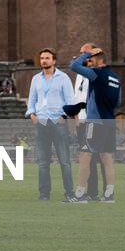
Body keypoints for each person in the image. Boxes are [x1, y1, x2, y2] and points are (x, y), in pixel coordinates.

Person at [65, 44, 123, 202]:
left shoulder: (95, 74)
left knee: (85, 156)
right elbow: (118, 102)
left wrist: (88, 54)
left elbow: (73, 65)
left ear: (99, 59)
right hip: (109, 121)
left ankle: (80, 194)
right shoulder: (116, 78)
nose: (88, 61)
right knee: (107, 158)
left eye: (90, 59)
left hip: (95, 122)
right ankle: (109, 194)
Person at [23, 50, 77, 201]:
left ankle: (69, 192)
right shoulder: (36, 79)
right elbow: (32, 99)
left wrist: (63, 116)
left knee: (65, 161)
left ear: (54, 61)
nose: (44, 61)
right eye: (42, 58)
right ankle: (44, 194)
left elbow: (70, 100)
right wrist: (32, 115)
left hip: (58, 122)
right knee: (43, 162)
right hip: (41, 122)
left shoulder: (63, 78)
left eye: (47, 58)